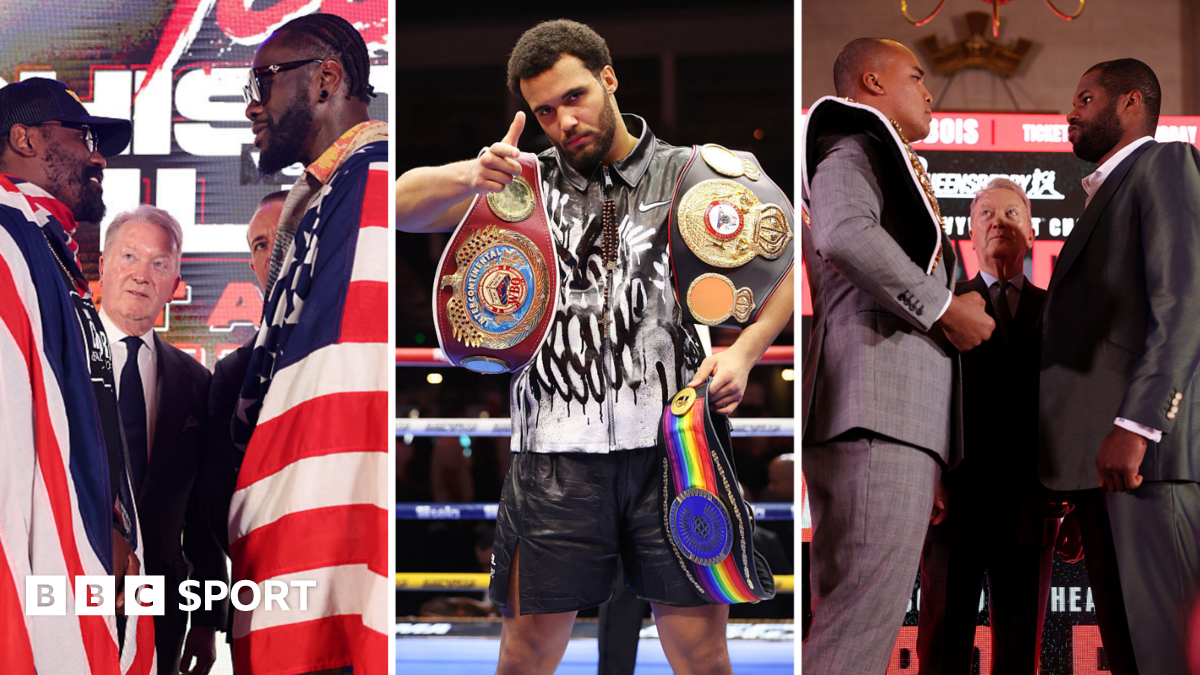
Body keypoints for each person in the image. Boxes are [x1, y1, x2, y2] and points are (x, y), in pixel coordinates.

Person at [396, 19, 794, 675]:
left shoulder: (688, 171)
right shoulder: (521, 182)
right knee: (525, 654)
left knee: (700, 653)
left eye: (574, 96)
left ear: (609, 79)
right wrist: (472, 174)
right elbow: (400, 203)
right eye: (544, 110)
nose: (562, 120)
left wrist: (746, 349)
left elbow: (782, 266)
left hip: (674, 452)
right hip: (552, 458)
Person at [801, 37, 994, 674]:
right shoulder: (853, 147)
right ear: (873, 83)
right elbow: (844, 233)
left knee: (863, 620)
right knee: (858, 625)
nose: (929, 89)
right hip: (875, 412)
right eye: (916, 75)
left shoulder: (886, 161)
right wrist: (943, 307)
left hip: (895, 420)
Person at [232, 12, 388, 675]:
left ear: (325, 80)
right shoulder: (331, 195)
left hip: (326, 554)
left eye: (263, 81)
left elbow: (351, 394)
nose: (251, 105)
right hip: (293, 545)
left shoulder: (371, 180)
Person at [1040, 58, 1200, 675]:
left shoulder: (1164, 165)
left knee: (1168, 659)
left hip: (1149, 465)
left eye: (1085, 98)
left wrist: (1136, 427)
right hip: (1105, 477)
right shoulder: (1105, 196)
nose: (1071, 113)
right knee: (1135, 658)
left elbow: (1184, 302)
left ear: (1132, 103)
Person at [0, 77, 154, 672]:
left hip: (87, 546)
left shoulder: (46, 246)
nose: (98, 156)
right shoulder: (10, 239)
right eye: (84, 136)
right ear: (24, 139)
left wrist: (105, 522)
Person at [916, 179, 1063, 674]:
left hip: (1031, 504)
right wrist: (930, 474)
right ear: (970, 236)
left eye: (1012, 213)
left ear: (1032, 233)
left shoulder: (1058, 312)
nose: (999, 221)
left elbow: (1071, 408)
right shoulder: (945, 305)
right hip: (953, 503)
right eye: (986, 215)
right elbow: (926, 397)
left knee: (1021, 654)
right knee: (941, 649)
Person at [97, 204, 228, 675]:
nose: (141, 275)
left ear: (174, 284)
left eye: (159, 264)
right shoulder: (57, 358)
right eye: (130, 256)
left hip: (164, 611)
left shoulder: (195, 380)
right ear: (104, 266)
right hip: (64, 591)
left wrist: (208, 618)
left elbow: (202, 513)